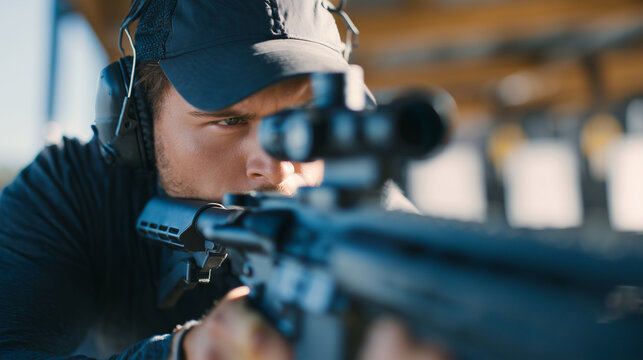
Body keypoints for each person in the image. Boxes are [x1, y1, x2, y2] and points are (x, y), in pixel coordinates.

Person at [0, 1, 444, 359]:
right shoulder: (71, 188)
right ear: (135, 125)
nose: (278, 167)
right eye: (230, 120)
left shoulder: (364, 211)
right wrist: (182, 354)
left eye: (306, 122)